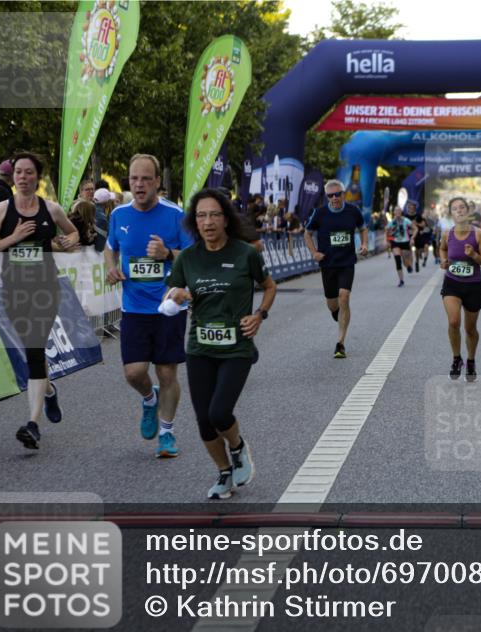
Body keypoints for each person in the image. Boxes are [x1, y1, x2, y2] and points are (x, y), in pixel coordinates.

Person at [162, 188, 276, 500]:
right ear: (194, 222)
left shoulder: (245, 253)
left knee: (220, 412)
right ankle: (225, 473)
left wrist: (260, 315)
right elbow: (170, 297)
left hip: (237, 347)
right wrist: (178, 296)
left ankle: (238, 448)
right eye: (201, 216)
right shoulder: (187, 258)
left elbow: (268, 286)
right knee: (203, 423)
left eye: (214, 215)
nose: (208, 221)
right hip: (200, 348)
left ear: (225, 219)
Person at [0, 152, 81, 449]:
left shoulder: (52, 209)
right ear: (14, 178)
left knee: (35, 349)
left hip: (46, 290)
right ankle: (48, 391)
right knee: (32, 353)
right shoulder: (1, 210)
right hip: (13, 292)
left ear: (37, 177)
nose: (22, 177)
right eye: (18, 173)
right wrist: (14, 237)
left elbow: (73, 237)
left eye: (28, 173)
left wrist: (69, 242)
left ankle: (33, 425)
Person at [105, 154, 195, 458]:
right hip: (133, 309)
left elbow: (194, 257)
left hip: (168, 308)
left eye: (146, 179)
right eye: (134, 179)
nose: (139, 184)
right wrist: (111, 268)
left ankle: (167, 434)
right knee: (133, 373)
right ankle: (148, 398)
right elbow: (110, 249)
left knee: (167, 374)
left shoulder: (175, 215)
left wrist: (168, 253)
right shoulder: (119, 215)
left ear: (158, 182)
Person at [304, 178, 369, 359]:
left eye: (337, 194)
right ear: (327, 197)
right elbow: (307, 234)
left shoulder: (353, 211)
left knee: (344, 296)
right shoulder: (320, 213)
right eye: (330, 195)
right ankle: (338, 314)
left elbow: (363, 229)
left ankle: (340, 343)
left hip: (347, 262)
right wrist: (314, 253)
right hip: (328, 264)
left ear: (343, 194)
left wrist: (364, 244)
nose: (334, 198)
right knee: (332, 305)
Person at [439, 197, 481, 381]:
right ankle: (456, 358)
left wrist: (474, 255)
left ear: (468, 211)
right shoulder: (447, 233)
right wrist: (443, 260)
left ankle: (470, 360)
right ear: (451, 213)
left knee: (470, 329)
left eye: (462, 208)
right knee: (454, 321)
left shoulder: (479, 234)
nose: (459, 211)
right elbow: (443, 249)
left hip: (473, 286)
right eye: (455, 208)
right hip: (452, 283)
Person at [386, 205, 415, 286]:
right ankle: (401, 280)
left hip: (405, 242)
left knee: (405, 261)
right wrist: (387, 241)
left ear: (401, 212)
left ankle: (409, 266)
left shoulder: (406, 220)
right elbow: (386, 230)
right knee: (397, 260)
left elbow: (415, 228)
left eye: (399, 210)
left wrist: (412, 238)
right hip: (395, 242)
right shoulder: (392, 222)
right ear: (394, 212)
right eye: (396, 210)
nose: (398, 212)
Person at [407, 200, 431, 271]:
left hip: (417, 235)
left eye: (413, 208)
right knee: (409, 250)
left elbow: (423, 225)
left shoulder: (418, 216)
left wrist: (416, 224)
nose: (411, 209)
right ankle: (411, 264)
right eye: (410, 208)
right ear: (408, 208)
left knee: (417, 250)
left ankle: (417, 261)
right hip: (408, 236)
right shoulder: (405, 216)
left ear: (415, 208)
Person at [93, 188, 114, 253]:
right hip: (97, 256)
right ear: (106, 202)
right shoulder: (102, 218)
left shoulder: (92, 209)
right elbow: (100, 247)